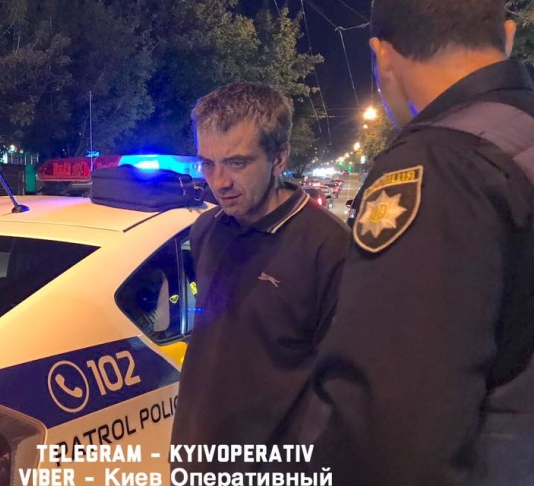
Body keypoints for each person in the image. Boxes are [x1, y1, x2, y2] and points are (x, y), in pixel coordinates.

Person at [288, 1, 534, 485]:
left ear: (382, 56)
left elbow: (389, 429)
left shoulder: (437, 168)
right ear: (508, 36)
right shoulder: (514, 140)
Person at [170, 83, 350, 474]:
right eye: (208, 163)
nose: (219, 182)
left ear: (279, 158)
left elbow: (341, 387)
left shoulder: (329, 246)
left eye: (237, 163)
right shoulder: (206, 230)